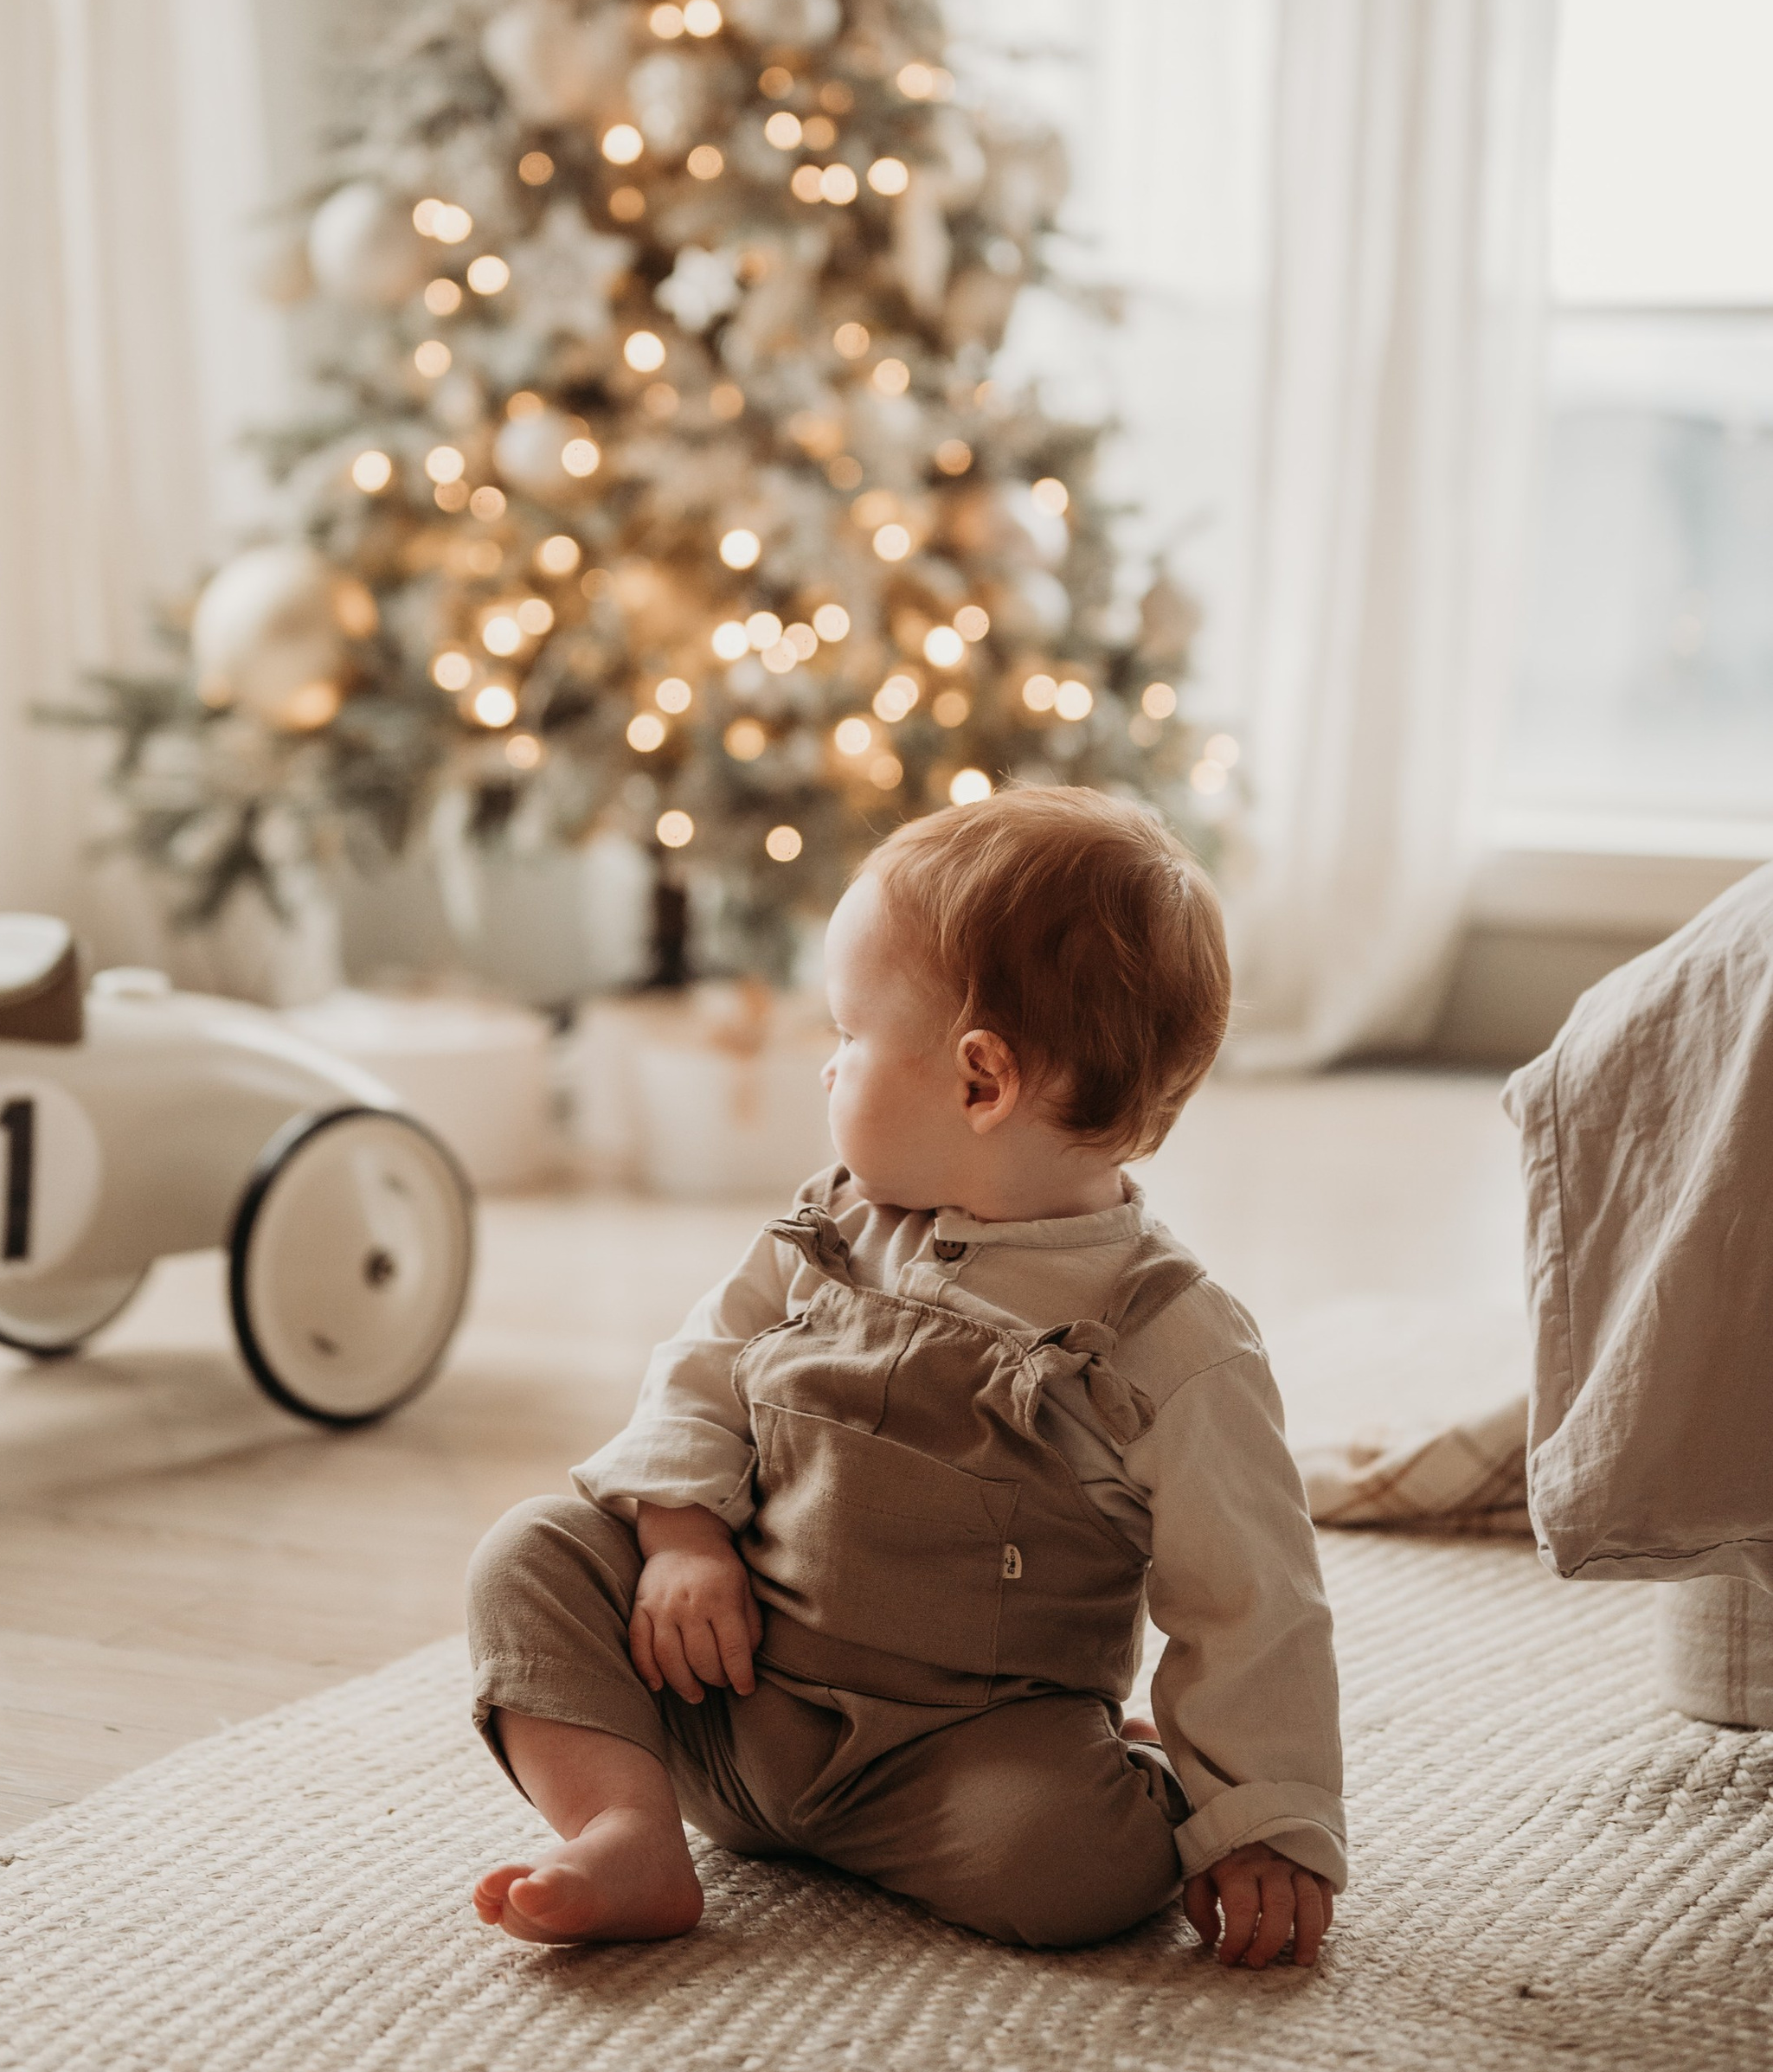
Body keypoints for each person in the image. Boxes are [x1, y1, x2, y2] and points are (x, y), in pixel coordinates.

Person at [467, 786, 1345, 1966]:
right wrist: (681, 1535)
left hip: (958, 1760)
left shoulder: (1165, 1339)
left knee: (1071, 1870)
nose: (827, 1074)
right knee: (531, 1554)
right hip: (731, 1689)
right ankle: (627, 1828)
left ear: (981, 1083)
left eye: (847, 1038)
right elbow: (706, 1365)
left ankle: (1126, 1780)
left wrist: (1262, 1816)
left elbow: (1254, 1599)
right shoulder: (836, 1223)